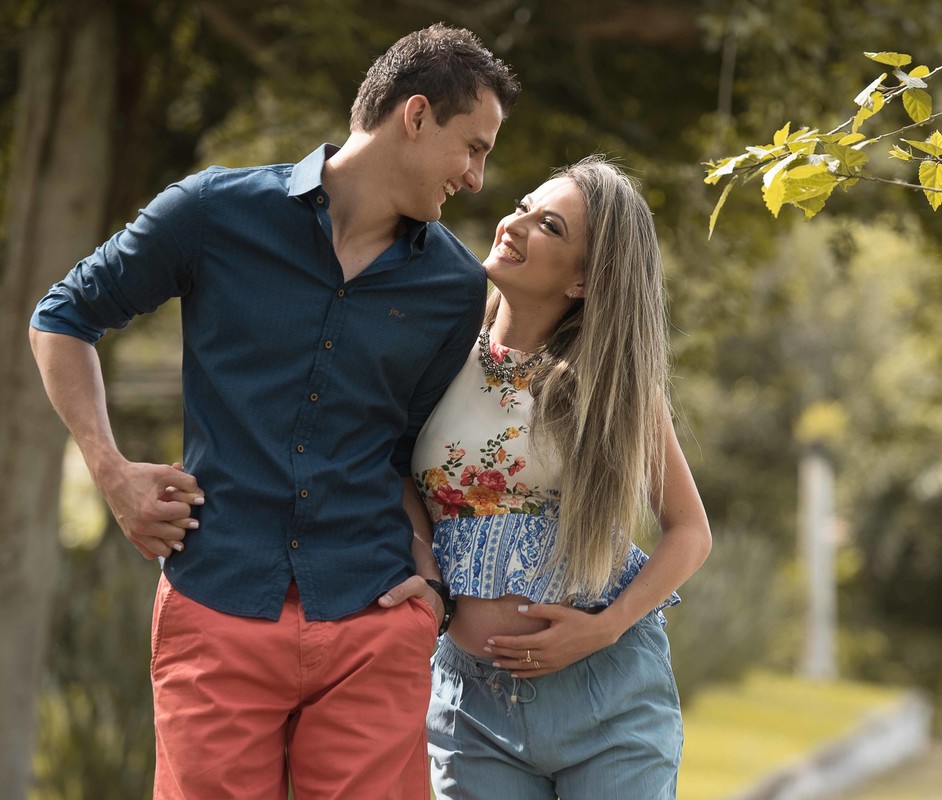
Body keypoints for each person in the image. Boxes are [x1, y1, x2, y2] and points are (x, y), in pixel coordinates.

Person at [28, 24, 519, 799]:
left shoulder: (454, 288)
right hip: (219, 598)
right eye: (474, 147)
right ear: (415, 115)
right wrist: (109, 470)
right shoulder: (213, 212)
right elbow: (63, 317)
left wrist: (426, 578)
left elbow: (412, 452)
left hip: (373, 612)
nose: (477, 178)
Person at [410, 155, 712, 799]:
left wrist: (605, 627)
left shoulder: (609, 386)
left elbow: (690, 532)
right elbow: (391, 475)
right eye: (522, 207)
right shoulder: (437, 355)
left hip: (606, 694)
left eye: (547, 225)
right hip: (471, 705)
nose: (513, 225)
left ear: (583, 280)